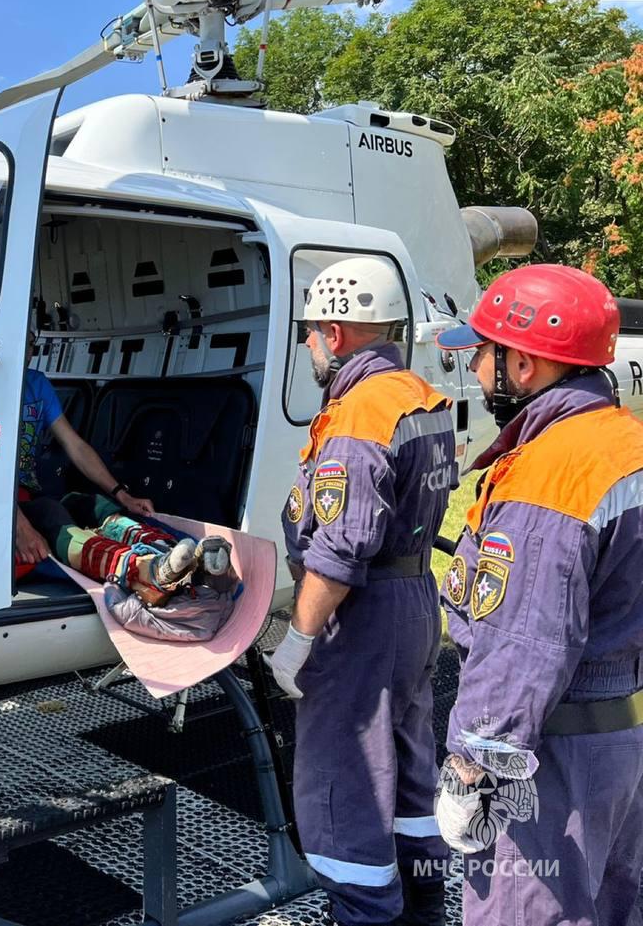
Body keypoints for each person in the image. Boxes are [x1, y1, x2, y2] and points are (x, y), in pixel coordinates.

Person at [433, 265, 643, 925]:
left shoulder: (550, 473)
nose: (474, 366)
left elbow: (521, 647)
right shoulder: (625, 441)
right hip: (622, 741)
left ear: (522, 364)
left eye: (484, 351)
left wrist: (472, 772)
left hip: (552, 760)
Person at [268, 255, 455, 926]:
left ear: (336, 333)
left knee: (346, 784)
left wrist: (297, 642)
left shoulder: (358, 414)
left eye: (312, 333)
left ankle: (365, 910)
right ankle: (424, 909)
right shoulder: (416, 394)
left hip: (364, 618)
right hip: (412, 606)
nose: (310, 346)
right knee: (408, 770)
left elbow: (342, 546)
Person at [15, 357, 210, 603]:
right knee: (52, 515)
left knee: (84, 503)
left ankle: (170, 549)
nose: (28, 350)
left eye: (32, 341)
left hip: (27, 494)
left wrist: (121, 494)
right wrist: (19, 526)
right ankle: (142, 571)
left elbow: (75, 446)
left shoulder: (36, 384)